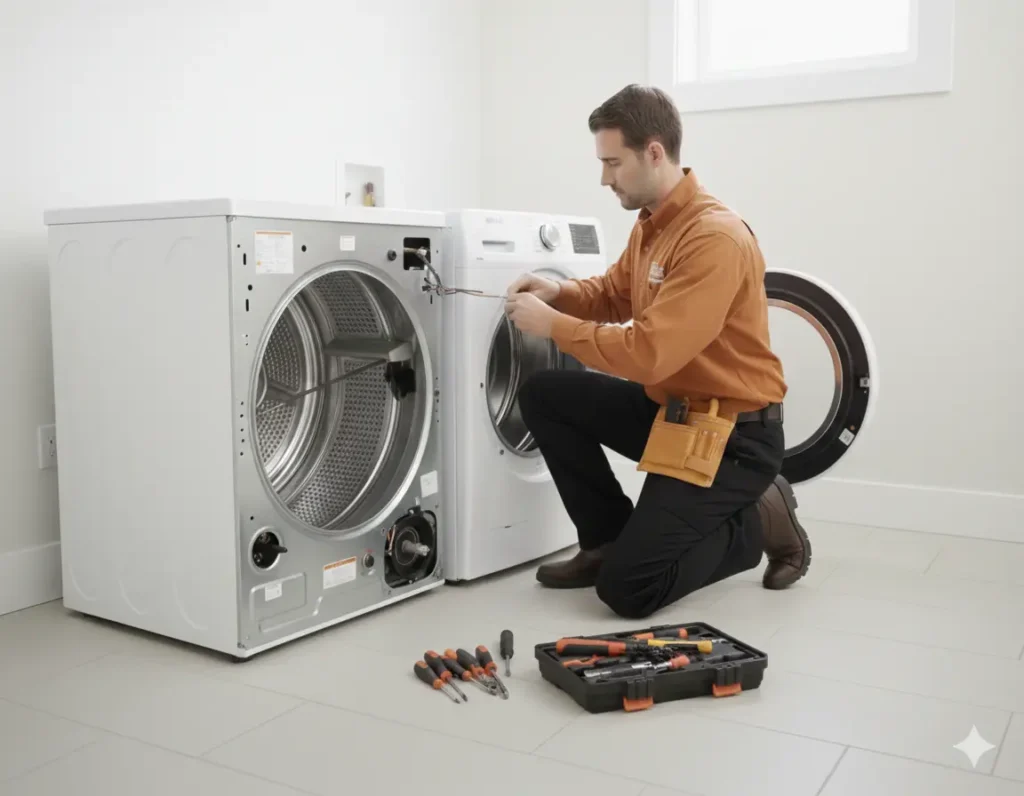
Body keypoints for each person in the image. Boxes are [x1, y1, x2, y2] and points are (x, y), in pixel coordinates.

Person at [502, 84, 811, 619]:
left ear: (654, 152)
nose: (604, 178)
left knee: (631, 590)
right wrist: (561, 295)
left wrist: (553, 326)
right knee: (544, 393)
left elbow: (649, 355)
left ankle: (755, 519)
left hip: (734, 438)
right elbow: (614, 294)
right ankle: (605, 542)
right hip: (675, 415)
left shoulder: (714, 238)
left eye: (613, 162)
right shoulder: (651, 224)